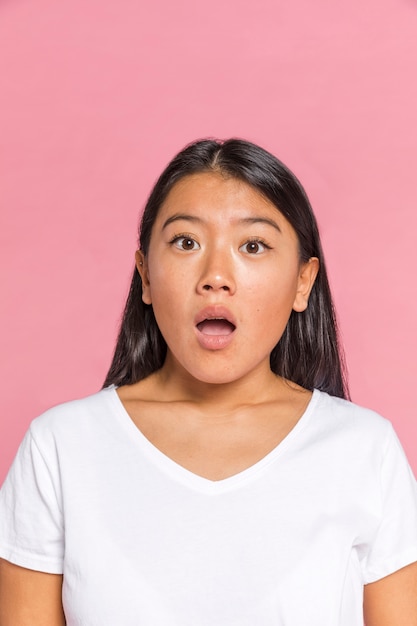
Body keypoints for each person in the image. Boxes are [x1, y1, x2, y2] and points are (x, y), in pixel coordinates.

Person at [0, 138, 416, 625]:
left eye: (253, 246)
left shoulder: (365, 450)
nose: (215, 276)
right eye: (185, 242)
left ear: (303, 282)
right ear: (146, 277)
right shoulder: (61, 447)